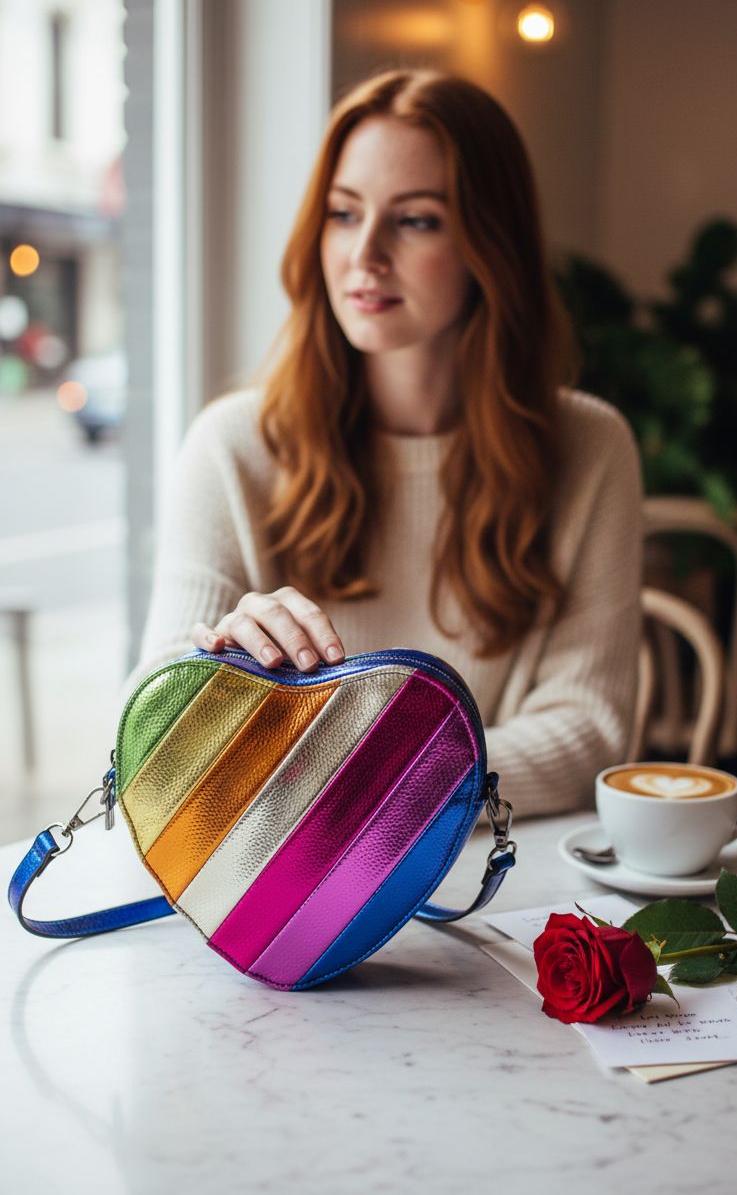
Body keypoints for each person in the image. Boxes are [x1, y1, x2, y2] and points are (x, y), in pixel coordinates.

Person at [128, 68, 642, 820]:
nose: (364, 254)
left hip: (491, 886)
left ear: (489, 246)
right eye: (342, 213)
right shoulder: (232, 446)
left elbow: (588, 729)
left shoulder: (589, 448)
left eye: (417, 220)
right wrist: (216, 679)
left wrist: (354, 785)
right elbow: (151, 748)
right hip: (288, 892)